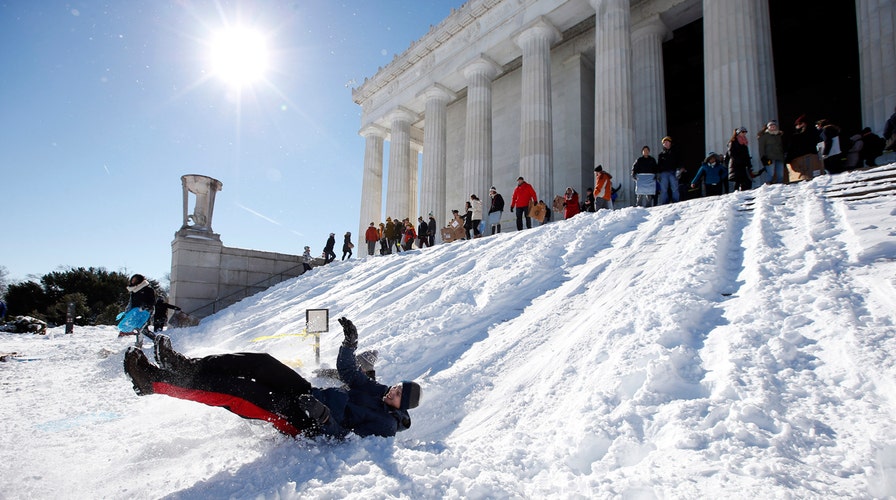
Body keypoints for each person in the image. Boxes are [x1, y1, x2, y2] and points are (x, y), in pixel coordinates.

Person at [122, 317, 421, 439]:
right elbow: (349, 374)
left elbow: (345, 436)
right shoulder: (378, 390)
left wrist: (323, 416)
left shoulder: (384, 425)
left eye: (397, 392)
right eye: (396, 385)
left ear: (400, 405)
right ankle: (186, 367)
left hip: (302, 420)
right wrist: (349, 345)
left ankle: (153, 382)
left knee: (238, 391)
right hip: (308, 393)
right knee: (261, 364)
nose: (392, 389)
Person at [786, 115, 824, 181]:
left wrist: (787, 159)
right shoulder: (815, 133)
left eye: (798, 124)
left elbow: (791, 148)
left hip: (799, 158)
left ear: (803, 124)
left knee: (804, 177)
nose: (797, 126)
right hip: (813, 156)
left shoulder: (796, 137)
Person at [727, 127, 753, 191]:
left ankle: (742, 193)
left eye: (745, 132)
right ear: (738, 133)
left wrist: (749, 164)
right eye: (743, 132)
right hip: (736, 164)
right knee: (738, 180)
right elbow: (731, 153)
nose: (744, 133)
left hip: (742, 164)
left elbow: (747, 154)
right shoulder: (733, 142)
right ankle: (737, 193)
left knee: (744, 180)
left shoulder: (744, 142)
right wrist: (738, 160)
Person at [656, 136, 680, 205]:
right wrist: (658, 173)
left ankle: (676, 201)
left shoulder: (675, 152)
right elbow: (659, 165)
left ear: (670, 143)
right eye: (664, 142)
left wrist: (679, 169)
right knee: (663, 189)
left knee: (675, 187)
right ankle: (664, 202)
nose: (666, 143)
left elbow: (679, 161)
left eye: (667, 142)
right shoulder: (661, 155)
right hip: (664, 173)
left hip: (673, 172)